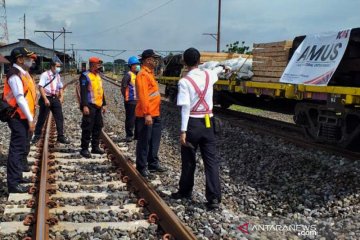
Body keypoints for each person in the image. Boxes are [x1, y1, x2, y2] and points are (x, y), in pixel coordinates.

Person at [172, 48, 222, 209]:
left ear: (184, 62)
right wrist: (224, 68)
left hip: (192, 124)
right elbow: (218, 70)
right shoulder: (209, 75)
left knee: (188, 161)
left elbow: (185, 108)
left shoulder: (184, 82)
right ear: (199, 60)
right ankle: (214, 198)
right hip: (208, 123)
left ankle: (185, 191)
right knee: (211, 161)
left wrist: (183, 131)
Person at [2, 47, 37, 193]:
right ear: (19, 59)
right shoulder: (14, 75)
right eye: (28, 57)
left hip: (23, 116)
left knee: (22, 146)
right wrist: (30, 119)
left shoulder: (24, 73)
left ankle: (18, 176)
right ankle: (13, 184)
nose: (31, 60)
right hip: (17, 116)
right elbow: (20, 98)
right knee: (16, 149)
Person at [135, 49, 166, 177]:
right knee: (144, 141)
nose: (156, 61)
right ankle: (141, 166)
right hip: (146, 115)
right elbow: (143, 96)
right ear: (148, 60)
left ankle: (152, 162)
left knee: (154, 140)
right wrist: (147, 113)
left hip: (155, 113)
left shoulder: (150, 74)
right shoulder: (142, 74)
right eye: (154, 59)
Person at [31, 57, 69, 144]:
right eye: (57, 66)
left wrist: (61, 96)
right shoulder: (45, 75)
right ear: (52, 66)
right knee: (42, 118)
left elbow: (60, 87)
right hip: (46, 98)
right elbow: (40, 87)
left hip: (55, 98)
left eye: (59, 66)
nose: (59, 68)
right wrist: (45, 99)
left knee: (59, 118)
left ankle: (61, 136)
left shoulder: (57, 75)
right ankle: (37, 136)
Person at [79, 57, 106, 158]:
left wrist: (104, 104)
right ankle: (84, 148)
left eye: (99, 64)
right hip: (89, 105)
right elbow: (83, 92)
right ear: (92, 65)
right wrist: (84, 106)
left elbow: (101, 90)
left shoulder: (98, 75)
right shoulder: (85, 76)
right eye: (98, 64)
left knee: (98, 126)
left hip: (98, 106)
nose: (99, 66)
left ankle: (95, 147)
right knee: (87, 127)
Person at [121, 56, 140, 142]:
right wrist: (126, 97)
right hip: (130, 101)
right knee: (130, 118)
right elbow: (123, 87)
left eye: (138, 64)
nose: (137, 66)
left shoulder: (137, 75)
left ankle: (137, 135)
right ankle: (129, 135)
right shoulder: (128, 75)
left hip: (138, 100)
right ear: (131, 66)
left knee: (138, 118)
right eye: (135, 64)